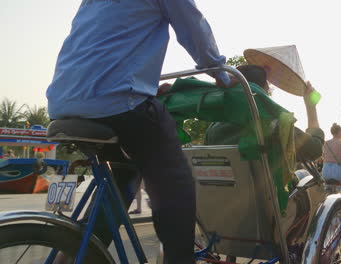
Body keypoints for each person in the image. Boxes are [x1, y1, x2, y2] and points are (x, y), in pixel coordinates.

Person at [46, 1, 232, 263]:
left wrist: (146, 88)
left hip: (65, 101)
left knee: (122, 180)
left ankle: (72, 255)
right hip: (117, 102)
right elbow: (193, 27)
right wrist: (222, 74)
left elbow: (105, 44)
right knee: (175, 185)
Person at [205, 65, 325, 163]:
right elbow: (315, 149)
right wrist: (311, 107)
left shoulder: (213, 128)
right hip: (264, 192)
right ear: (260, 93)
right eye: (267, 92)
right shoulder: (274, 125)